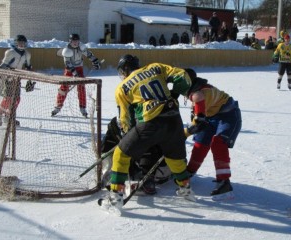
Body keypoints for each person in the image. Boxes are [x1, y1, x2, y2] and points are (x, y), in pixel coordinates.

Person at [101, 55, 195, 209]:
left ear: (124, 69)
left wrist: (128, 136)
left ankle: (115, 196)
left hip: (151, 122)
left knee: (121, 153)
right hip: (174, 119)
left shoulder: (123, 87)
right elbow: (183, 76)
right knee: (174, 159)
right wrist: (174, 94)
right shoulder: (155, 67)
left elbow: (125, 119)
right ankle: (186, 189)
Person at [183, 69, 242, 200]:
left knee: (218, 143)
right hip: (210, 116)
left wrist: (183, 134)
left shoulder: (199, 94)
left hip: (228, 115)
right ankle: (189, 171)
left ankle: (224, 182)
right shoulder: (193, 90)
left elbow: (197, 122)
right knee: (200, 142)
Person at [101, 117, 171, 195]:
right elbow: (107, 146)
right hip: (135, 158)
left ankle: (147, 178)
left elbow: (152, 150)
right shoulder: (115, 124)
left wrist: (146, 176)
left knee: (159, 174)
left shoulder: (147, 124)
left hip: (162, 162)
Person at [51, 33, 101, 117]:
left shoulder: (81, 47)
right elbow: (68, 64)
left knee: (81, 87)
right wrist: (74, 73)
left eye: (77, 41)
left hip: (79, 68)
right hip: (69, 70)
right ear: (70, 41)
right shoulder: (66, 50)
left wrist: (95, 61)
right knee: (64, 87)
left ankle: (82, 108)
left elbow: (88, 54)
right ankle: (58, 106)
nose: (75, 43)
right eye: (73, 41)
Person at [0, 34, 35, 126]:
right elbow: (3, 65)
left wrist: (30, 80)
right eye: (20, 42)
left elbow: (28, 67)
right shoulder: (10, 52)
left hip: (17, 79)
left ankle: (8, 116)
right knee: (8, 98)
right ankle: (0, 113)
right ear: (16, 43)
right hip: (8, 78)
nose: (22, 44)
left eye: (23, 43)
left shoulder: (27, 54)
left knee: (16, 99)